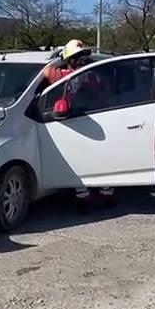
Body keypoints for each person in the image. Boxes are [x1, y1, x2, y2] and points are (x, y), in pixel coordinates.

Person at [43, 39, 116, 212]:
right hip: (101, 121)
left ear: (69, 60)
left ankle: (84, 197)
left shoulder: (67, 76)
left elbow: (47, 72)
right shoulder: (97, 75)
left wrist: (59, 59)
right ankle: (107, 194)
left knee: (77, 161)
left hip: (75, 123)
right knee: (102, 160)